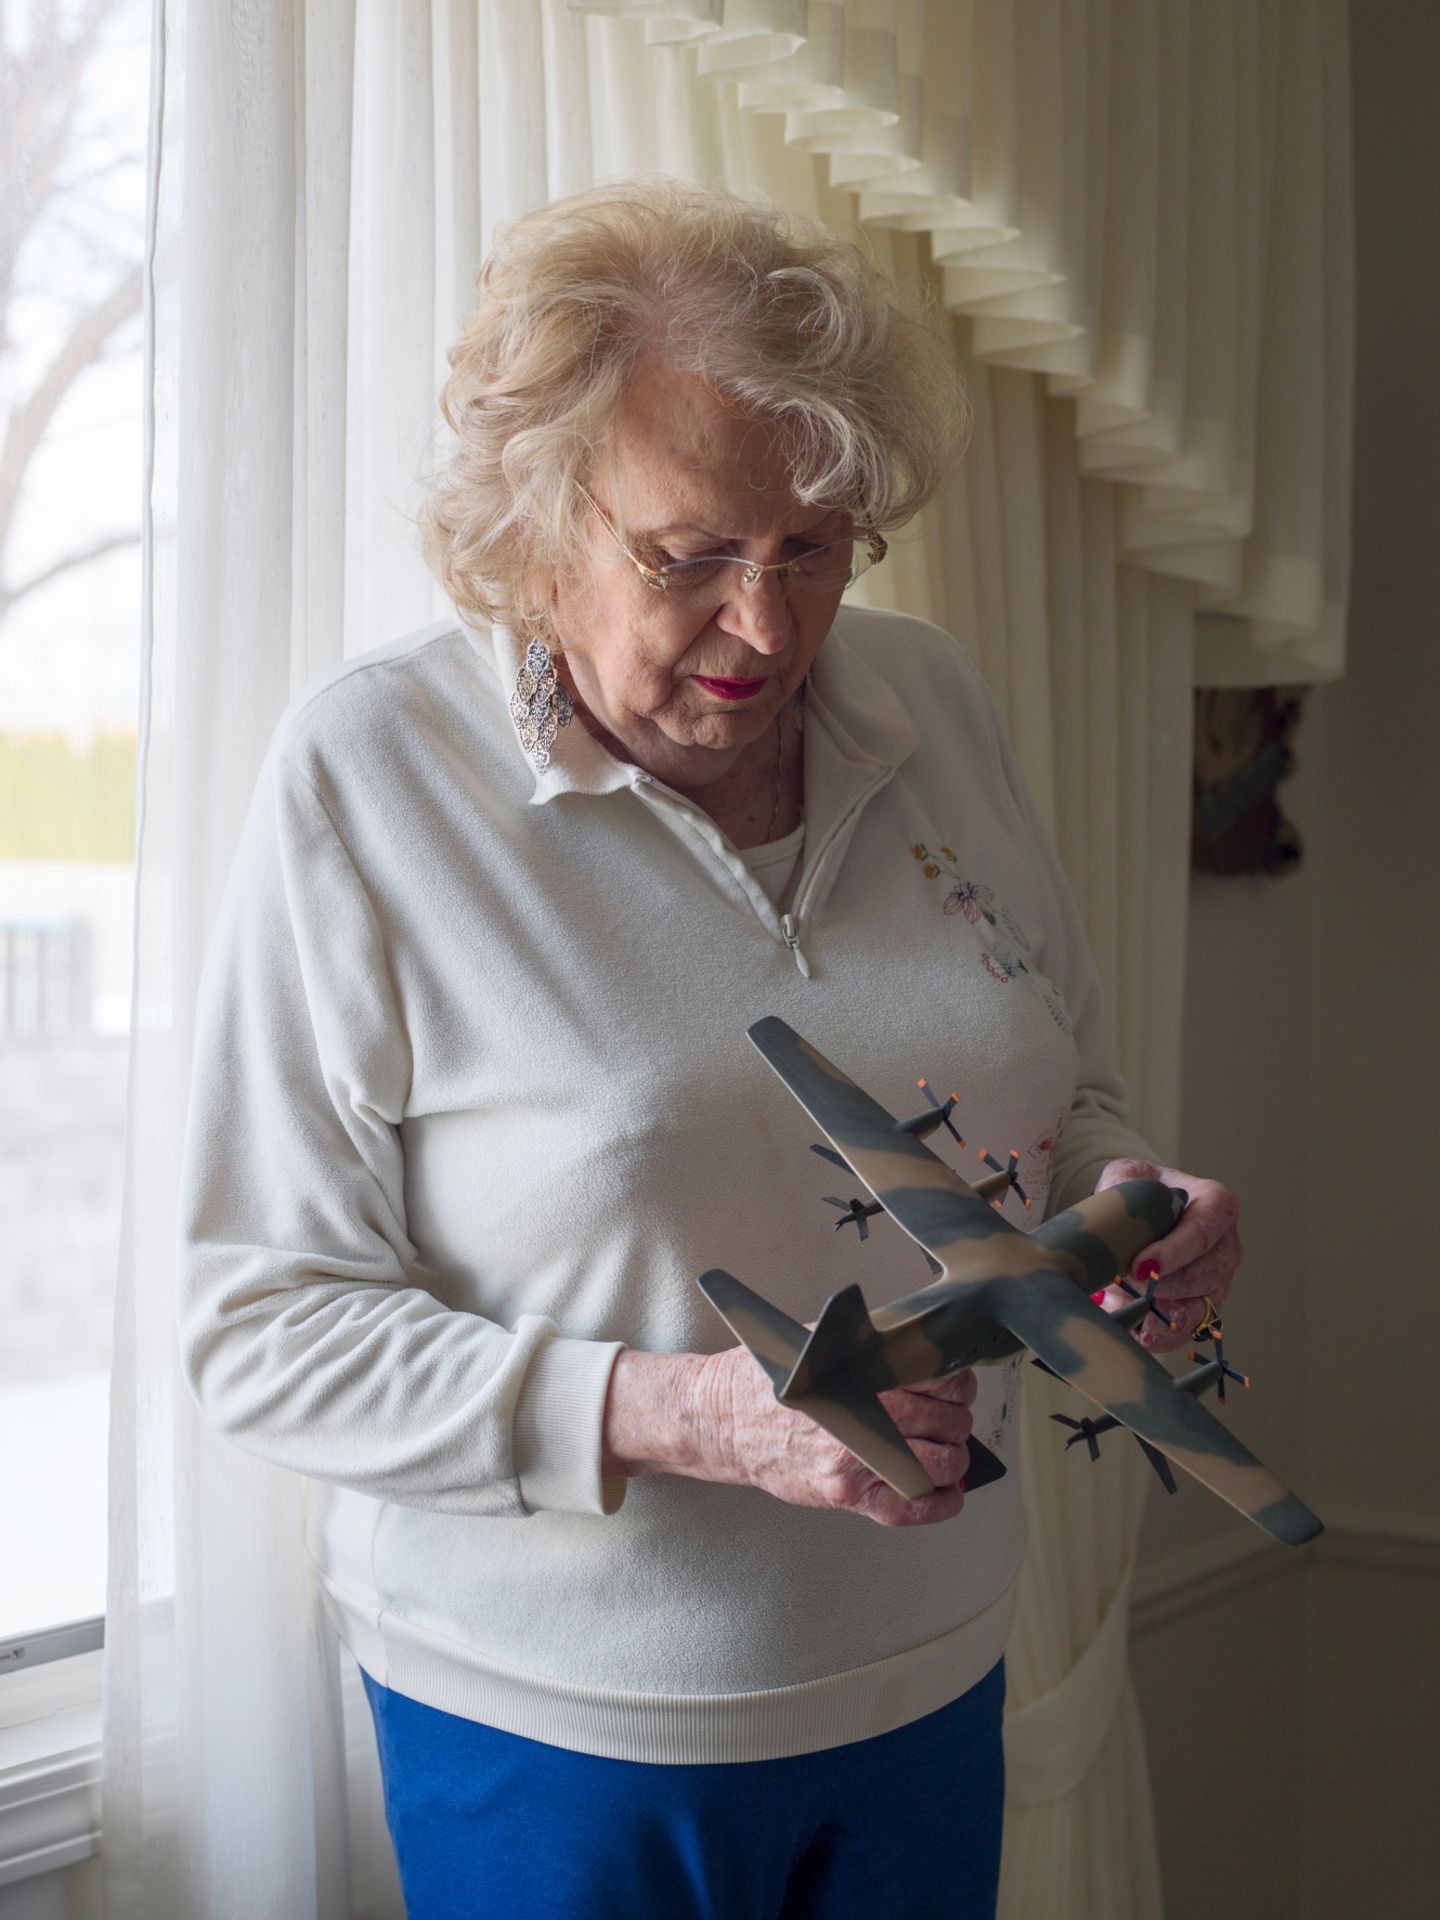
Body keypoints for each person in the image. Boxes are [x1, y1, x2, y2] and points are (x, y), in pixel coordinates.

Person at [177, 178, 1241, 1920]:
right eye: (690, 560)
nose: (768, 627)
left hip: (927, 1672)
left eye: (813, 549)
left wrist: (1128, 1209)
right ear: (531, 532)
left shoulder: (929, 704)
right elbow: (260, 1330)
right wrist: (690, 1415)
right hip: (565, 1733)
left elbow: (1062, 1098)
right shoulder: (369, 779)